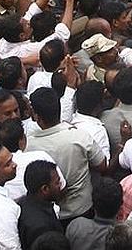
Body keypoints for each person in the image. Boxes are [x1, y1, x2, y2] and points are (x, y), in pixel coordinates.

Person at [26, 88, 106, 223]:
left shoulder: (28, 146)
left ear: (37, 117)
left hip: (49, 216)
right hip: (82, 210)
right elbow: (102, 165)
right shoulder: (79, 136)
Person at [17, 160, 64, 250]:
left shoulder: (25, 201)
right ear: (45, 189)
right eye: (57, 182)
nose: (60, 185)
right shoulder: (41, 228)